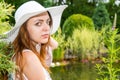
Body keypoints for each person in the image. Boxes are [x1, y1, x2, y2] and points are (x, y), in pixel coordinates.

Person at [6, 1, 67, 80]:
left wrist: (43, 34)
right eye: (38, 23)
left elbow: (55, 45)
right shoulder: (29, 57)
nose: (48, 28)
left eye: (48, 22)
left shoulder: (24, 52)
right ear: (24, 29)